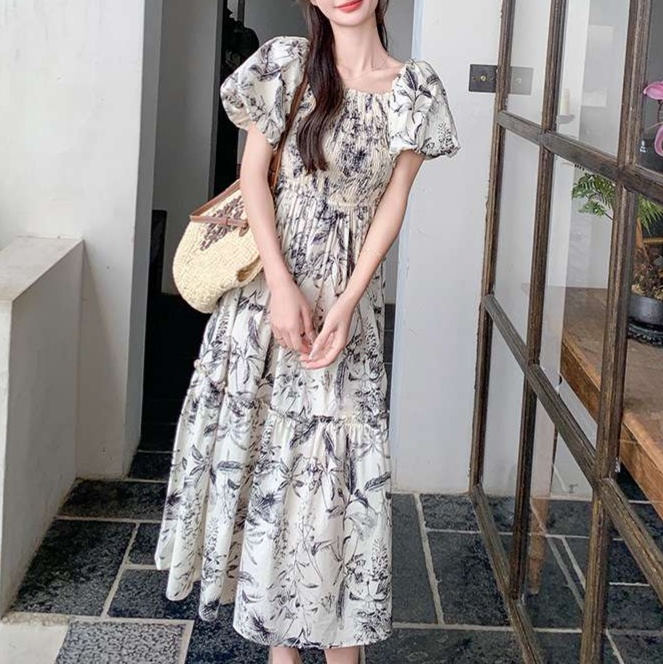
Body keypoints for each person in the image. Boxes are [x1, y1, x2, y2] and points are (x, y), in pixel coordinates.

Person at [154, 1, 460, 663]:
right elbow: (252, 180)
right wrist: (282, 286)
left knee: (339, 486)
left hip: (346, 313)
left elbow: (393, 202)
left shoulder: (416, 88)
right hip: (266, 303)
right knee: (269, 466)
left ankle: (340, 641)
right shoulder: (286, 64)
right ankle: (280, 647)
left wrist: (348, 301)